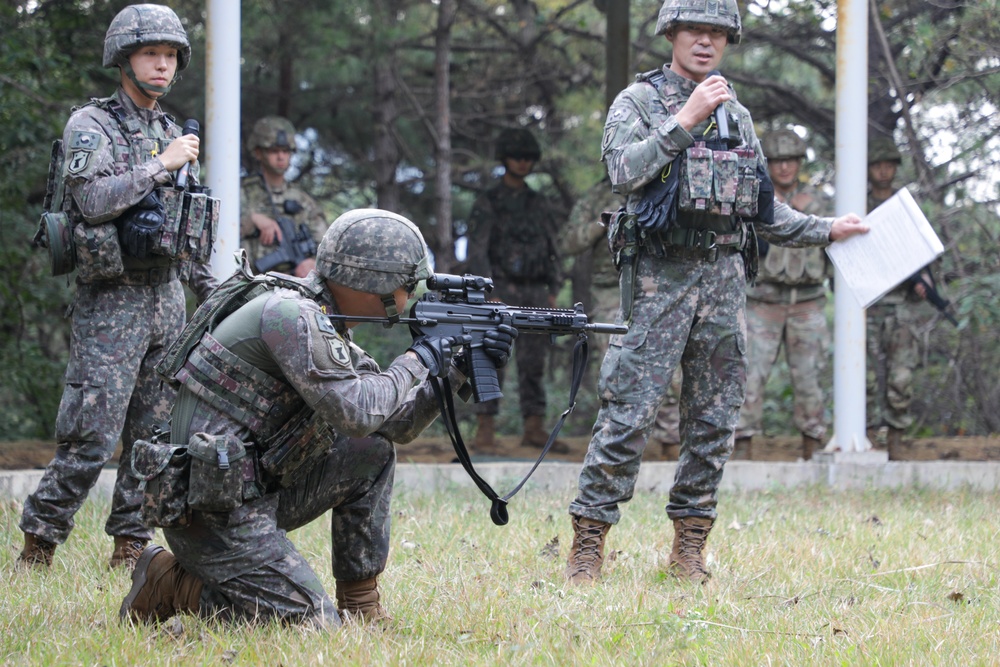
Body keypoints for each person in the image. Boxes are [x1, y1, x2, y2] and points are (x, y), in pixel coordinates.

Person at [564, 0, 868, 586]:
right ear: (672, 34)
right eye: (694, 31)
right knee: (628, 413)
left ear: (727, 41)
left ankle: (689, 550)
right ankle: (588, 547)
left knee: (714, 420)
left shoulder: (738, 116)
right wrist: (684, 121)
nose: (706, 42)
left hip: (724, 282)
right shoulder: (639, 101)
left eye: (717, 34)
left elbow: (763, 211)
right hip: (658, 281)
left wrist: (830, 228)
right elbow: (623, 172)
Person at [119, 209, 516, 629]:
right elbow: (359, 412)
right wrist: (422, 357)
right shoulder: (291, 316)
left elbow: (393, 423)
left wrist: (453, 373)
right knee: (314, 626)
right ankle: (170, 582)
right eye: (405, 286)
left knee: (372, 452)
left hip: (251, 493)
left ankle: (360, 603)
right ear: (372, 284)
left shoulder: (323, 320)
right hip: (212, 512)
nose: (409, 298)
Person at [18, 3, 218, 571]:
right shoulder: (92, 125)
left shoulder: (172, 130)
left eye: (170, 56)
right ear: (123, 60)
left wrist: (218, 295)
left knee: (155, 436)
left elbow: (188, 225)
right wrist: (161, 164)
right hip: (111, 301)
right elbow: (91, 200)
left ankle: (131, 542)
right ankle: (40, 542)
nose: (162, 65)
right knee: (91, 434)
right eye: (150, 54)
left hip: (167, 300)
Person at [561, 181, 682, 460]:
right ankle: (613, 447)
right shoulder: (597, 196)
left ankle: (670, 445)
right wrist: (604, 223)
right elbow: (568, 243)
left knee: (669, 367)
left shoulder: (668, 182)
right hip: (610, 291)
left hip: (659, 286)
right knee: (613, 368)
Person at [734, 129, 834, 461]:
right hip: (763, 301)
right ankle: (742, 456)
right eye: (778, 161)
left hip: (807, 301)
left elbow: (833, 251)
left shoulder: (818, 202)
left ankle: (813, 453)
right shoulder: (754, 199)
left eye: (791, 160)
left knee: (810, 379)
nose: (785, 167)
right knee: (748, 377)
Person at [465, 128, 566, 452]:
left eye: (527, 158)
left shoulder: (539, 203)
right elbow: (478, 249)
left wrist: (553, 287)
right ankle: (485, 430)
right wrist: (488, 291)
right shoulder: (489, 201)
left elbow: (552, 246)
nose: (523, 163)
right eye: (516, 157)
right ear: (505, 158)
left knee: (534, 362)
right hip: (501, 290)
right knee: (492, 357)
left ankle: (534, 427)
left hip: (535, 290)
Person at [865, 136, 925, 460]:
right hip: (868, 306)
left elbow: (926, 258)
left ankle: (897, 442)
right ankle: (870, 439)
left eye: (889, 165)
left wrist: (923, 283)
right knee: (867, 379)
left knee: (901, 376)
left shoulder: (907, 208)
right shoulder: (858, 207)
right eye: (878, 165)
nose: (884, 171)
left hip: (900, 308)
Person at [241, 116, 327, 278]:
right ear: (259, 152)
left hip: (295, 286)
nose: (280, 157)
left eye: (285, 151)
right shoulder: (241, 194)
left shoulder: (303, 201)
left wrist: (312, 263)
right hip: (250, 285)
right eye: (274, 151)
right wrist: (251, 220)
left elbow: (326, 245)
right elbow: (218, 234)